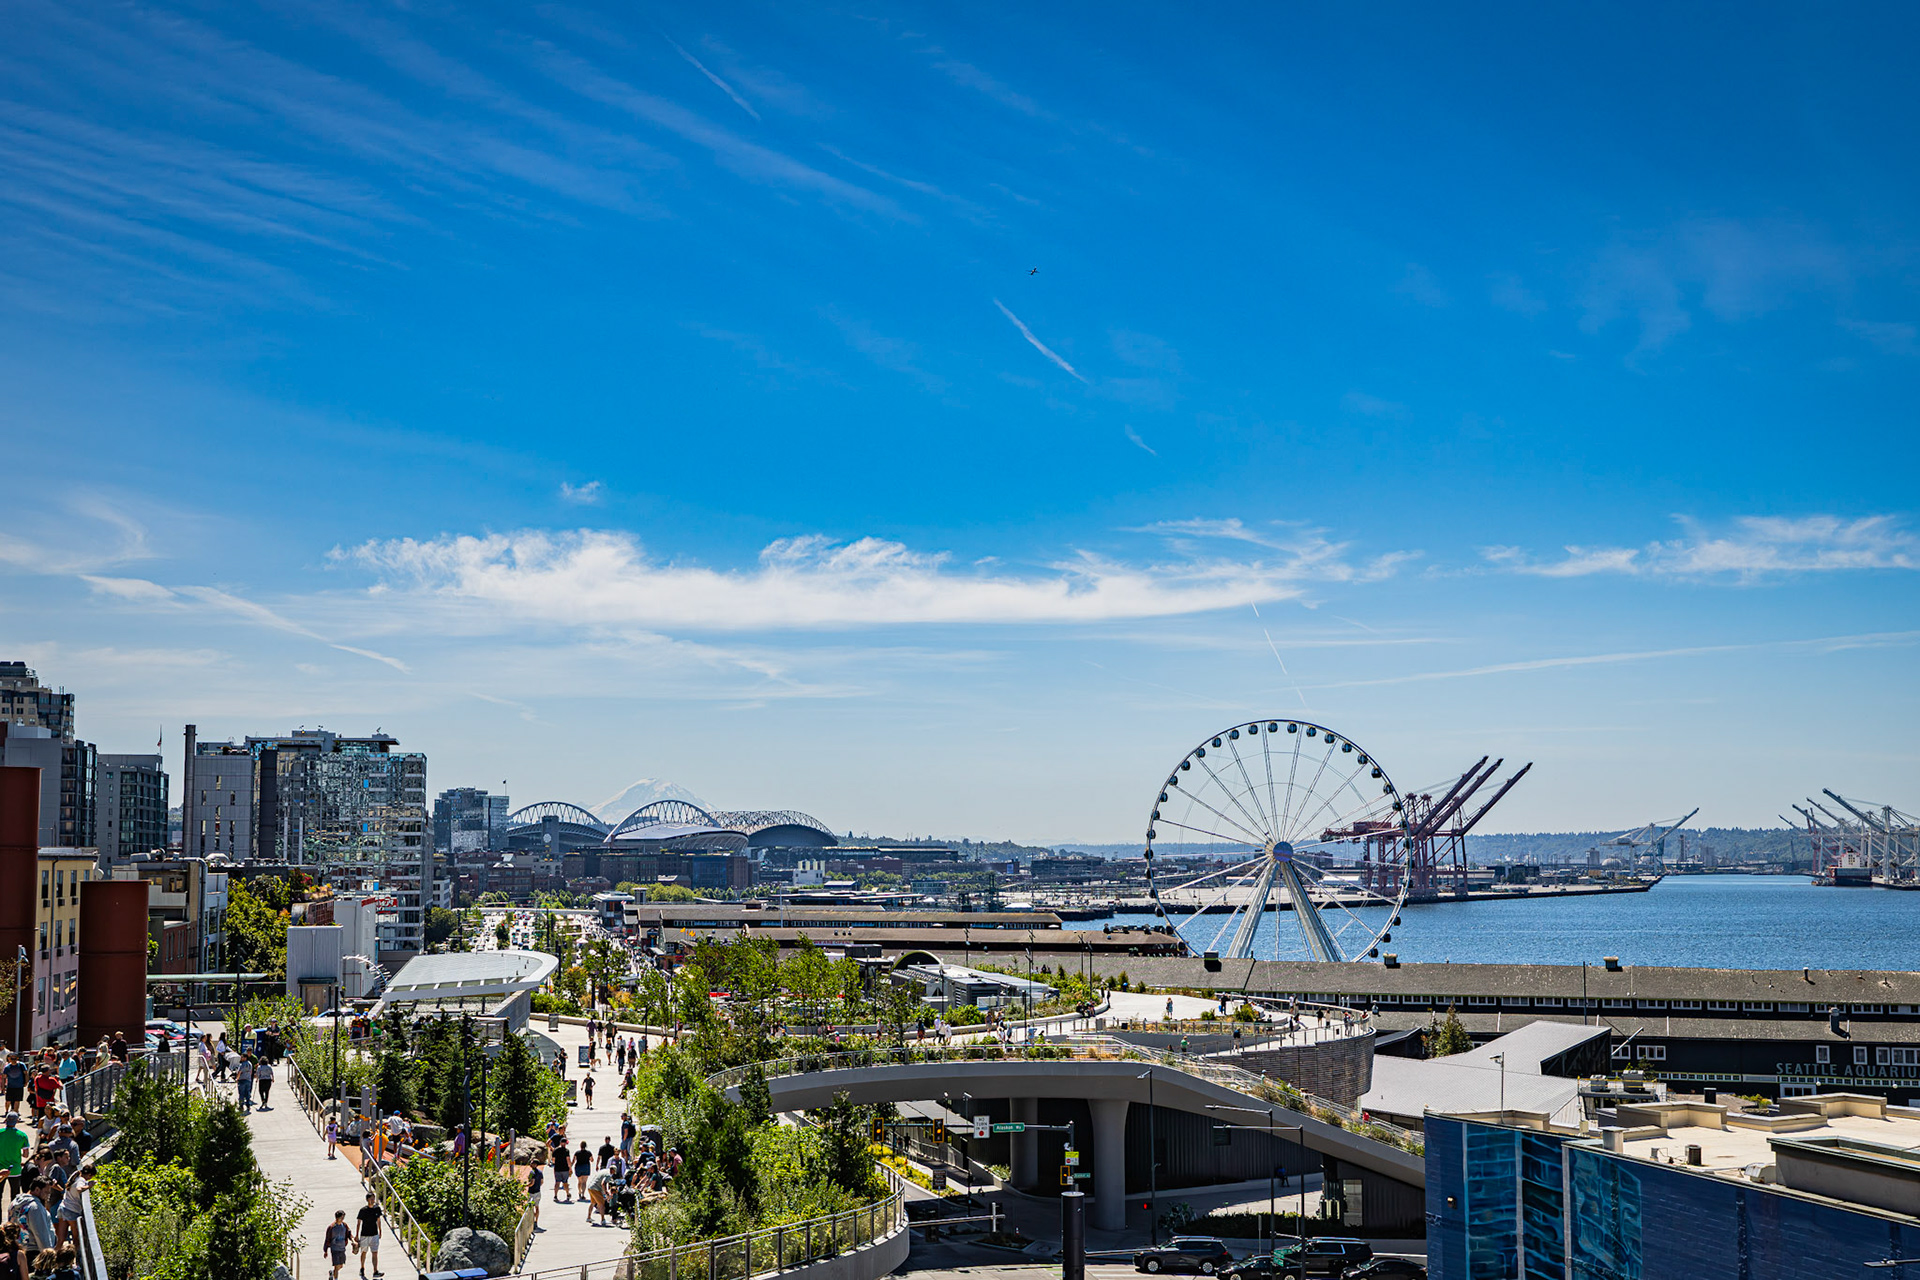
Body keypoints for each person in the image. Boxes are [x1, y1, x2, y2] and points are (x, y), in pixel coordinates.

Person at [52, 1162, 87, 1251]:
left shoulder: (74, 1177)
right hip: (72, 1211)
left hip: (62, 1208)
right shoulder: (81, 1180)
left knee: (60, 1240)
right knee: (76, 1240)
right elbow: (79, 1188)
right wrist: (89, 1186)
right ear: (89, 1175)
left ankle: (53, 1257)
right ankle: (75, 1257)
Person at [0, 1113, 29, 1200]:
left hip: (0, 1169)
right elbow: (26, 1155)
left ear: (6, 1120)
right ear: (17, 1121)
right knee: (15, 1196)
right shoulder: (22, 1135)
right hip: (15, 1169)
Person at [355, 1191, 383, 1278]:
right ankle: (362, 1268)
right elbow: (359, 1223)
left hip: (374, 1234)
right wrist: (356, 1235)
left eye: (373, 1199)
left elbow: (378, 1220)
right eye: (371, 1199)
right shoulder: (363, 1210)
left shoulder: (377, 1209)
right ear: (367, 1200)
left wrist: (380, 1231)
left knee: (375, 1252)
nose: (372, 1200)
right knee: (364, 1252)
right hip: (365, 1235)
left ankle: (375, 1271)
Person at [322, 1210, 352, 1280]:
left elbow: (349, 1234)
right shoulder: (331, 1227)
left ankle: (332, 1272)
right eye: (341, 1218)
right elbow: (327, 1239)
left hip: (342, 1248)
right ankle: (336, 1278)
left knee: (340, 1265)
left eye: (343, 1217)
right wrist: (325, 1251)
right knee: (336, 1265)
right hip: (334, 1249)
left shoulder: (344, 1225)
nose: (342, 1219)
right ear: (337, 1218)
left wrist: (353, 1241)